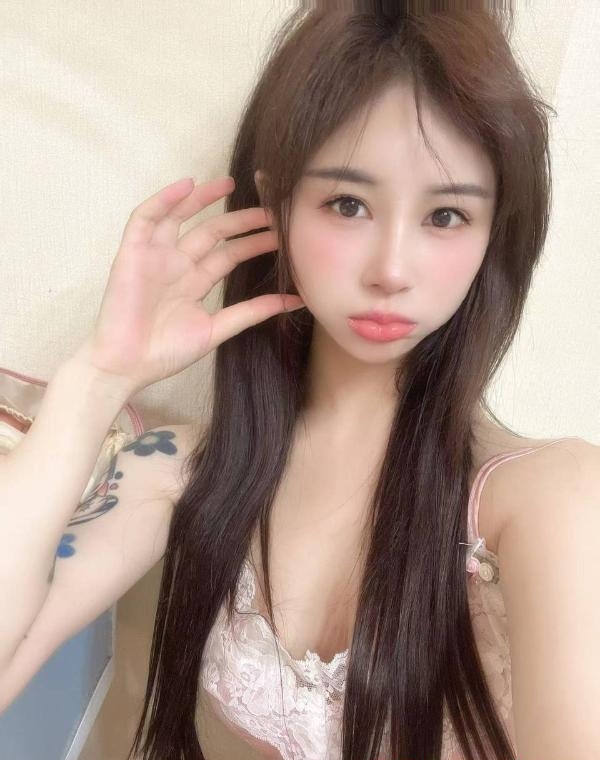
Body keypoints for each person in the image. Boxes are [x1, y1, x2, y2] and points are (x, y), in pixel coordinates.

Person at [1, 2, 599, 759]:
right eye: (348, 204)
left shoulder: (548, 502)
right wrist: (98, 375)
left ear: (493, 235)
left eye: (446, 216)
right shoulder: (183, 470)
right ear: (276, 206)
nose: (391, 269)